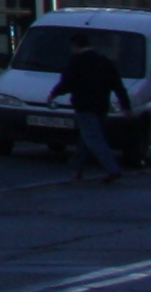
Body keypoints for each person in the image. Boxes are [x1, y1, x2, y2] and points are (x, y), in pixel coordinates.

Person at [56, 36, 131, 185]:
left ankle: (112, 169)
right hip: (101, 106)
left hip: (84, 106)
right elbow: (118, 86)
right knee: (86, 138)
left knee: (93, 138)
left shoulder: (76, 61)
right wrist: (126, 106)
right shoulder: (105, 62)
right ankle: (77, 169)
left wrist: (54, 94)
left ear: (75, 46)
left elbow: (68, 82)